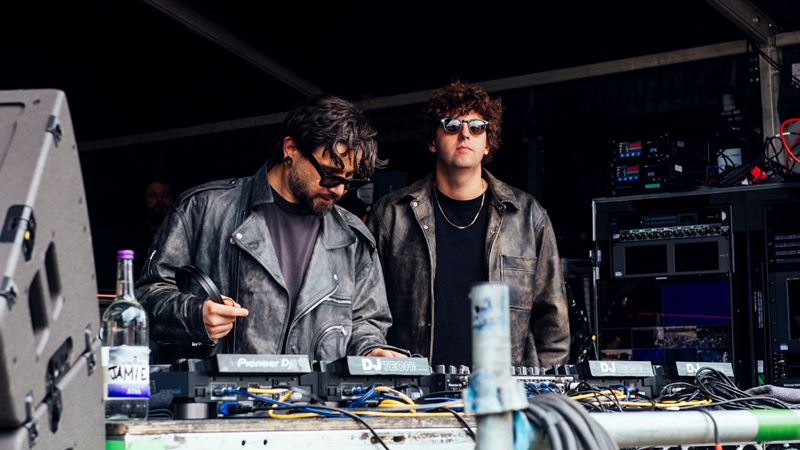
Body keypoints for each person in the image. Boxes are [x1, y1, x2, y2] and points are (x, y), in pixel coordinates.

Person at [136, 95, 406, 361]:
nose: (338, 190)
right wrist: (195, 316)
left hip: (314, 406)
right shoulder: (203, 208)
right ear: (291, 149)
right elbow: (145, 298)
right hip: (223, 403)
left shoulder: (353, 238)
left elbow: (366, 322)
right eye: (329, 174)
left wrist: (370, 350)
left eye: (349, 181)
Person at [368, 81, 570, 368]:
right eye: (451, 125)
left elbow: (553, 322)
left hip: (504, 393)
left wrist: (544, 392)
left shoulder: (527, 216)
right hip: (417, 394)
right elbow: (369, 311)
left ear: (488, 143)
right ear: (432, 140)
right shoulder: (392, 215)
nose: (464, 133)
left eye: (476, 127)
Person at [134, 179, 174, 275]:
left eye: (165, 195)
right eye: (153, 195)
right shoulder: (134, 238)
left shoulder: (182, 235)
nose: (160, 200)